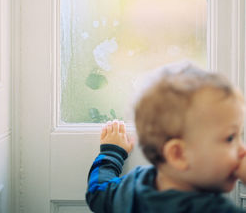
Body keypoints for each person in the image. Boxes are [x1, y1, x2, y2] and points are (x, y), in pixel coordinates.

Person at [86, 62, 246, 213]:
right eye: (230, 138)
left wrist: (112, 152)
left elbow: (97, 192)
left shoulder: (131, 188)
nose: (243, 150)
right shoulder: (216, 210)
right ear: (178, 154)